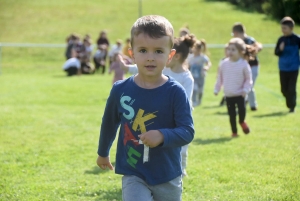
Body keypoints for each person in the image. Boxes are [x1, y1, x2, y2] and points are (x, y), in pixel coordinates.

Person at [96, 15, 194, 201]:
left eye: (158, 51)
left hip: (167, 174)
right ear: (132, 54)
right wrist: (103, 152)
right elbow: (109, 123)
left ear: (170, 55)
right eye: (143, 50)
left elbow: (187, 131)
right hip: (134, 171)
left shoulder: (176, 92)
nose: (150, 58)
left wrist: (163, 135)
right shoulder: (120, 90)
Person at [214, 38, 252, 137]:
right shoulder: (224, 63)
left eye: (233, 49)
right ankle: (234, 132)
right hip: (228, 95)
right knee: (231, 115)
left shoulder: (244, 64)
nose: (230, 52)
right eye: (229, 49)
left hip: (240, 94)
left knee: (242, 112)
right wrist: (217, 89)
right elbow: (220, 77)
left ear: (240, 51)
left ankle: (242, 122)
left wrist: (245, 90)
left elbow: (248, 79)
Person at [232, 22, 263, 111]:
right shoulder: (237, 43)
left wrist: (255, 48)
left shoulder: (250, 40)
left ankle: (252, 105)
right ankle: (245, 103)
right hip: (242, 68)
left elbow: (259, 46)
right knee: (243, 86)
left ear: (236, 33)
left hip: (253, 66)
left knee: (249, 85)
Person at [274, 16, 300, 113]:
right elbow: (276, 53)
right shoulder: (281, 39)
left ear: (291, 28)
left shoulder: (297, 39)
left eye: (285, 28)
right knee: (284, 89)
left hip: (294, 67)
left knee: (291, 88)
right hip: (283, 67)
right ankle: (290, 101)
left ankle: (292, 107)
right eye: (282, 28)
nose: (283, 30)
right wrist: (280, 49)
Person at [188, 39, 212, 106]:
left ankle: (199, 100)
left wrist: (207, 67)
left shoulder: (202, 57)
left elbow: (208, 63)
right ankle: (194, 101)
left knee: (200, 91)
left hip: (201, 76)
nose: (196, 51)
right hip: (193, 76)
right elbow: (187, 65)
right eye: (195, 49)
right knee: (194, 89)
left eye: (198, 49)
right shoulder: (191, 57)